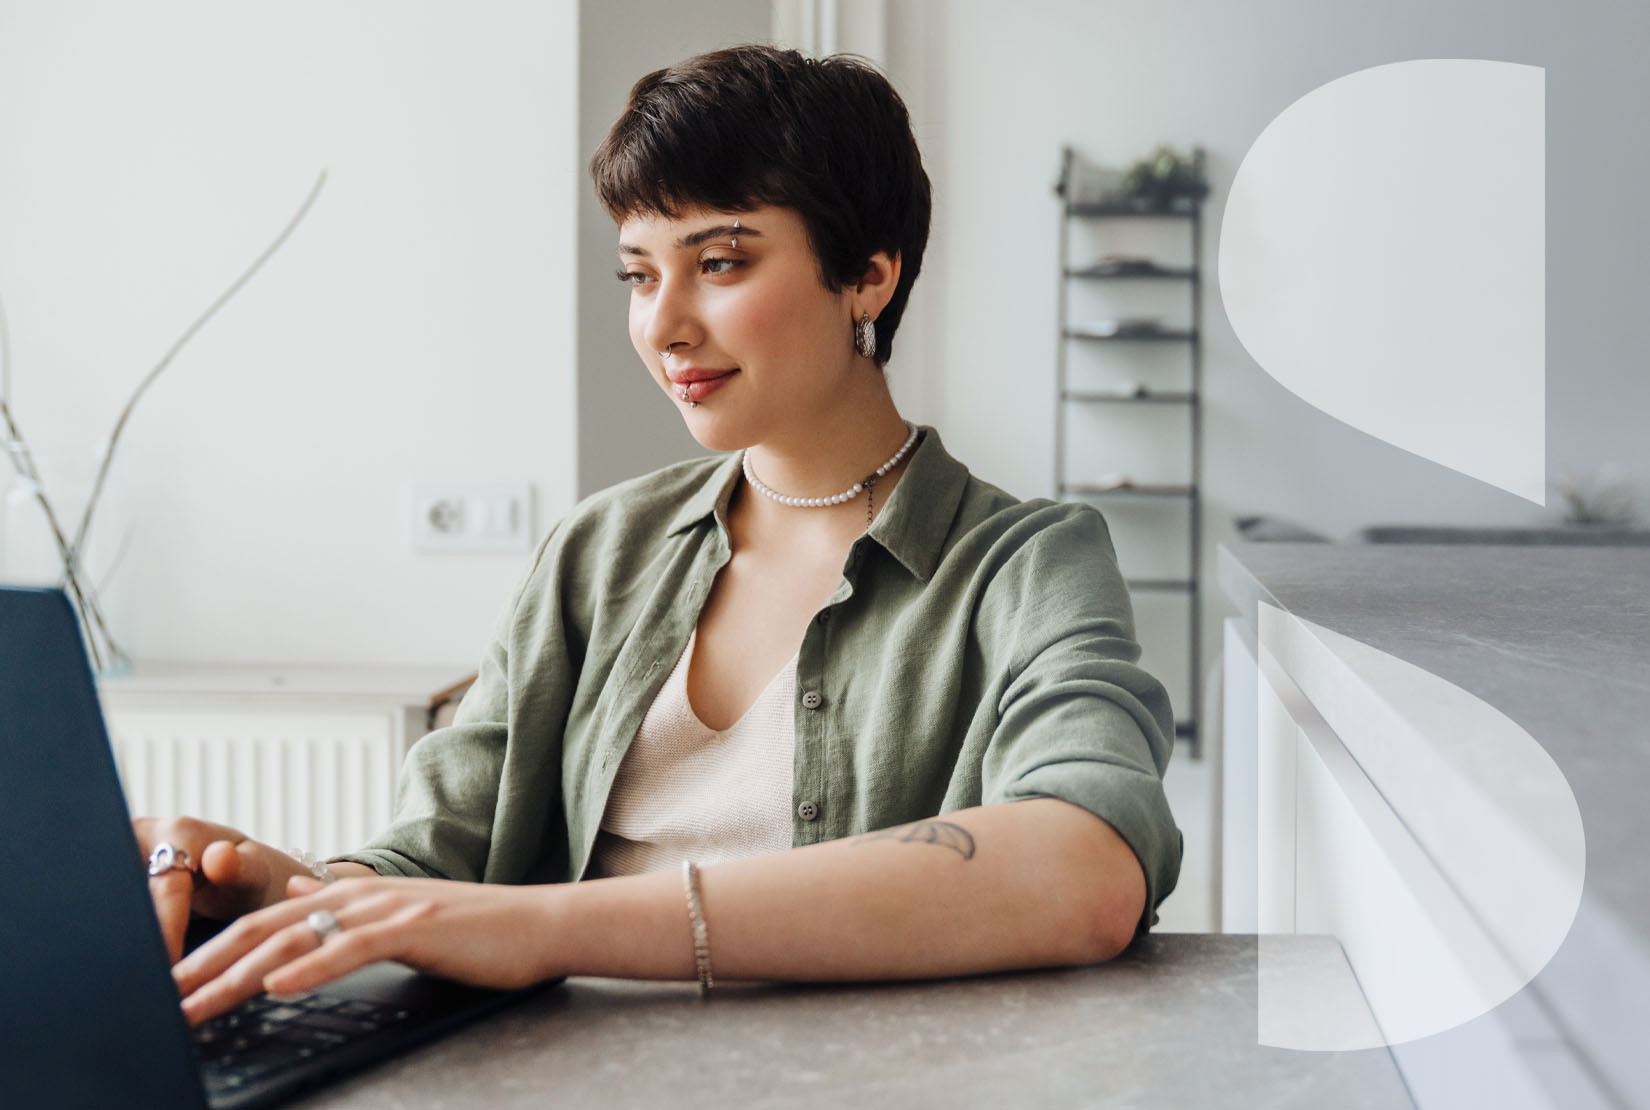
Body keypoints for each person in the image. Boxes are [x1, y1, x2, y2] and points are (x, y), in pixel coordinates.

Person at [139, 44, 1182, 1025]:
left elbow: (1084, 865)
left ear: (870, 273)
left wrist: (545, 927)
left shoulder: (1026, 562)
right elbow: (436, 858)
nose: (665, 324)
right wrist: (300, 891)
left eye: (719, 262)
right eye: (639, 274)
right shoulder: (601, 549)